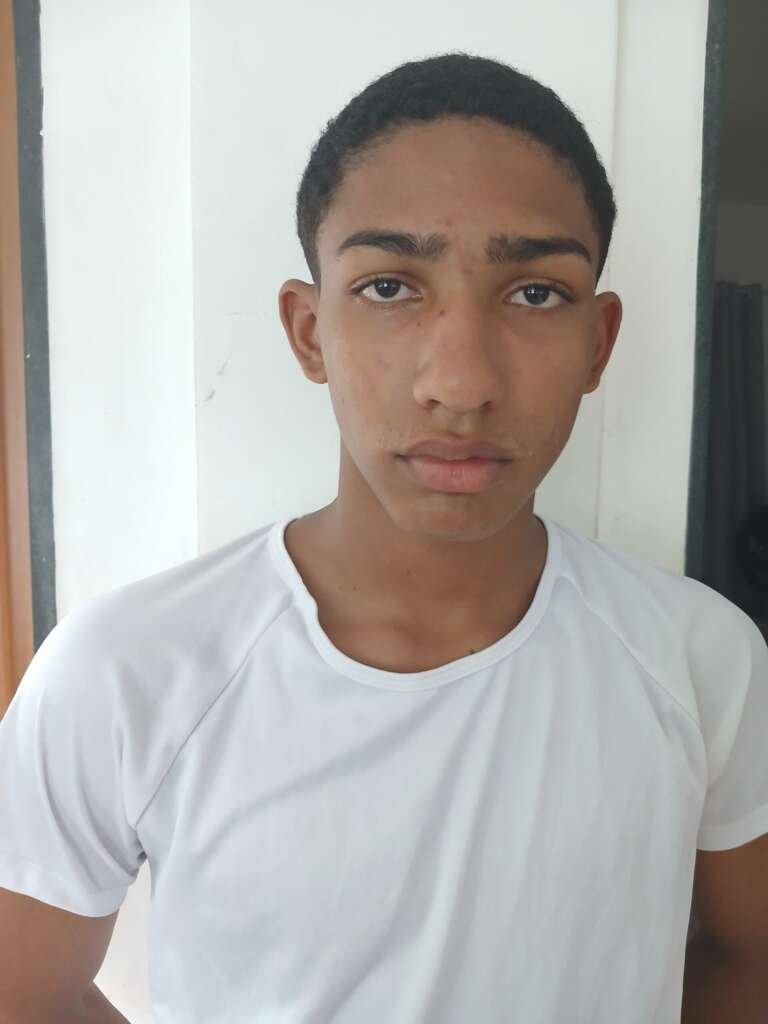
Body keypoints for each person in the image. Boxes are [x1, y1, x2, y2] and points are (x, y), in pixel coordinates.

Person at [1, 52, 768, 1024]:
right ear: (308, 331)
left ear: (599, 343)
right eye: (390, 287)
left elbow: (745, 957)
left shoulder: (703, 659)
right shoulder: (128, 671)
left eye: (536, 292)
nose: (462, 383)